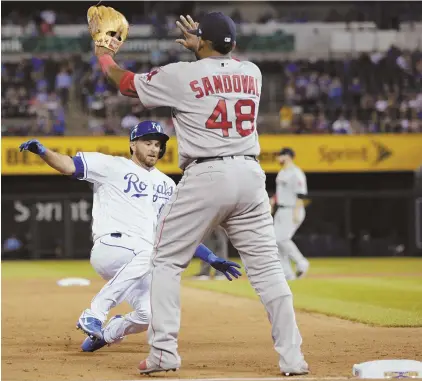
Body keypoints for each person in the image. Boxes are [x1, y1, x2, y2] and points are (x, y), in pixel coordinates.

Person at [87, 7, 308, 376]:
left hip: (207, 173)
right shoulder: (251, 73)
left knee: (164, 262)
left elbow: (123, 83)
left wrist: (103, 52)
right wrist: (204, 45)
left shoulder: (181, 75)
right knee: (270, 273)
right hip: (251, 176)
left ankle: (163, 355)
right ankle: (293, 359)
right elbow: (222, 62)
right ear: (233, 43)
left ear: (201, 41)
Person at [19, 121, 242, 352]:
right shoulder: (111, 165)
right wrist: (44, 152)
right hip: (112, 247)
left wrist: (211, 258)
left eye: (157, 144)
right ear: (133, 144)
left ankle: (107, 333)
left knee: (151, 314)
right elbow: (68, 166)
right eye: (148, 143)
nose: (154, 148)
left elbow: (177, 232)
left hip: (141, 261)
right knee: (153, 253)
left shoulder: (167, 184)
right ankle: (94, 313)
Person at [270, 148, 310, 280]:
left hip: (292, 209)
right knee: (275, 242)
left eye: (280, 155)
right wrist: (273, 201)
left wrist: (296, 212)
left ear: (287, 156)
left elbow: (301, 194)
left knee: (282, 238)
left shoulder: (296, 173)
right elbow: (281, 191)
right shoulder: (282, 172)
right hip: (281, 209)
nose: (278, 158)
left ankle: (301, 262)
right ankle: (287, 273)